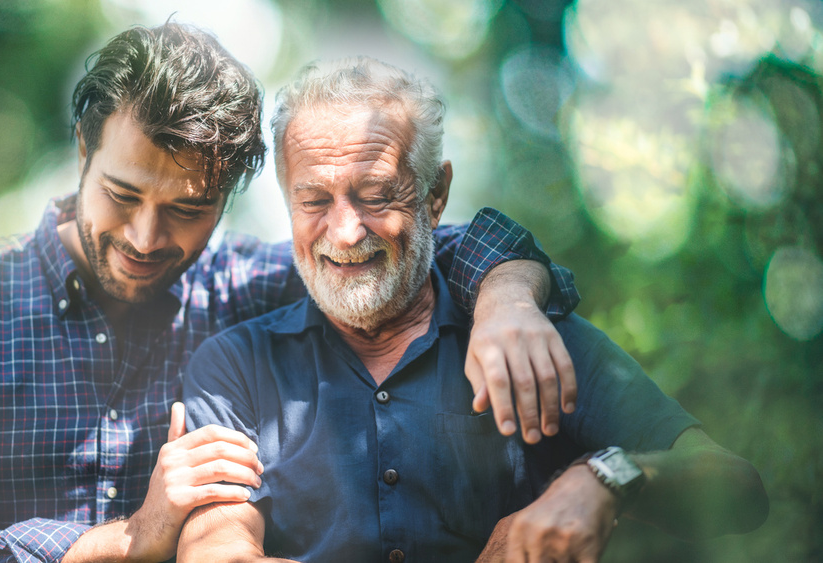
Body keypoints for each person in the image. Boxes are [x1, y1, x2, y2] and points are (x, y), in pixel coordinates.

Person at [0, 25, 580, 563]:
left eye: (187, 209)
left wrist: (508, 297)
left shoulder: (249, 286)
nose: (146, 238)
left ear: (231, 197)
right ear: (84, 151)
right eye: (122, 194)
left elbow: (410, 246)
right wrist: (123, 538)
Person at [176, 56, 769, 563]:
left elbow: (737, 487)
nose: (346, 231)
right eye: (313, 200)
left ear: (435, 195)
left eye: (377, 195)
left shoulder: (528, 337)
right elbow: (214, 546)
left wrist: (605, 478)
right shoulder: (235, 364)